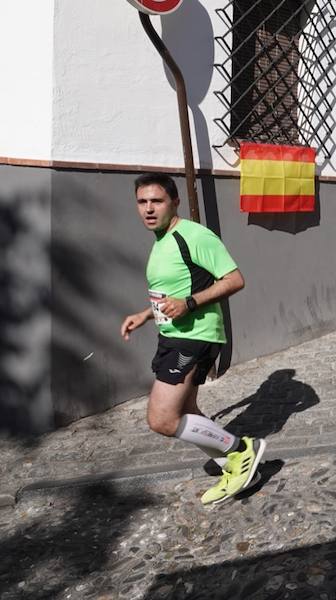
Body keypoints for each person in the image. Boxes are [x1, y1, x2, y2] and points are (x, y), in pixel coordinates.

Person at [120, 173, 266, 505]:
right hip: (173, 335)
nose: (148, 209)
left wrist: (189, 304)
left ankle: (240, 450)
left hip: (195, 337)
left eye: (156, 201)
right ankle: (239, 467)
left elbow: (234, 279)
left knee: (161, 418)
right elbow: (173, 292)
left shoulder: (194, 235)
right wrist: (145, 315)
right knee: (186, 409)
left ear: (174, 202)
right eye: (142, 202)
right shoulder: (161, 241)